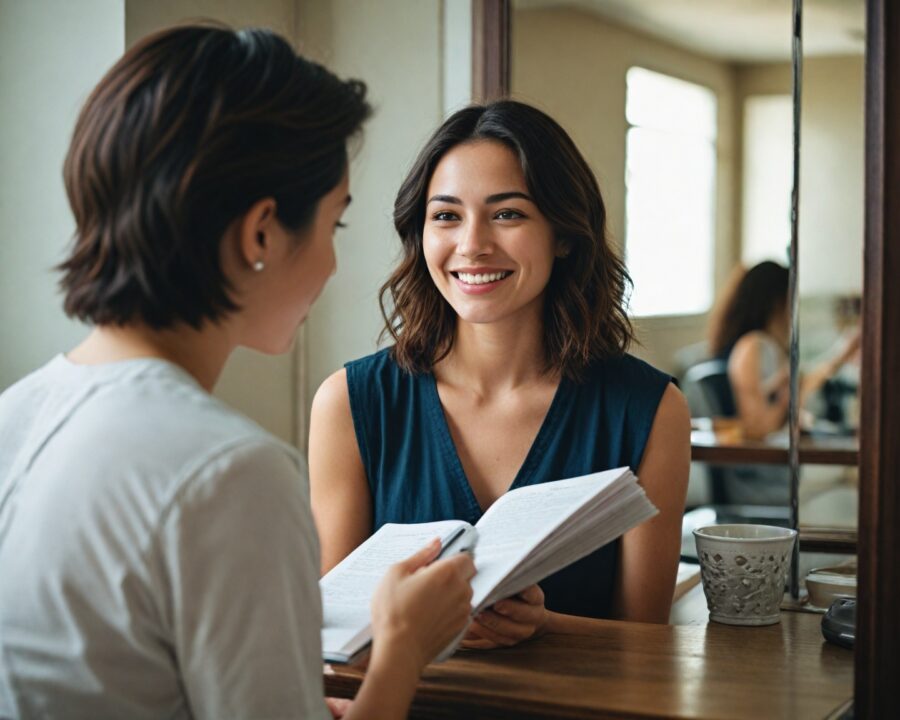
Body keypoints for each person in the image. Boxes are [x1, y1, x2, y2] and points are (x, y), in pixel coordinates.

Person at [0, 26, 475, 720]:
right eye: (334, 226)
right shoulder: (232, 474)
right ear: (260, 234)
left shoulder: (16, 412)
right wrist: (401, 650)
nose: (334, 265)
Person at [309, 100, 691, 648]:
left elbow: (644, 642)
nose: (472, 245)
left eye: (507, 213)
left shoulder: (649, 411)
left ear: (563, 234)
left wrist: (544, 625)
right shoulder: (350, 403)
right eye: (446, 216)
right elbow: (337, 637)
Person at [708, 261, 861, 440]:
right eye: (791, 300)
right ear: (776, 303)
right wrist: (787, 394)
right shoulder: (752, 346)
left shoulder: (767, 347)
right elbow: (760, 428)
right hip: (767, 458)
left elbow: (802, 386)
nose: (794, 311)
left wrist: (841, 356)